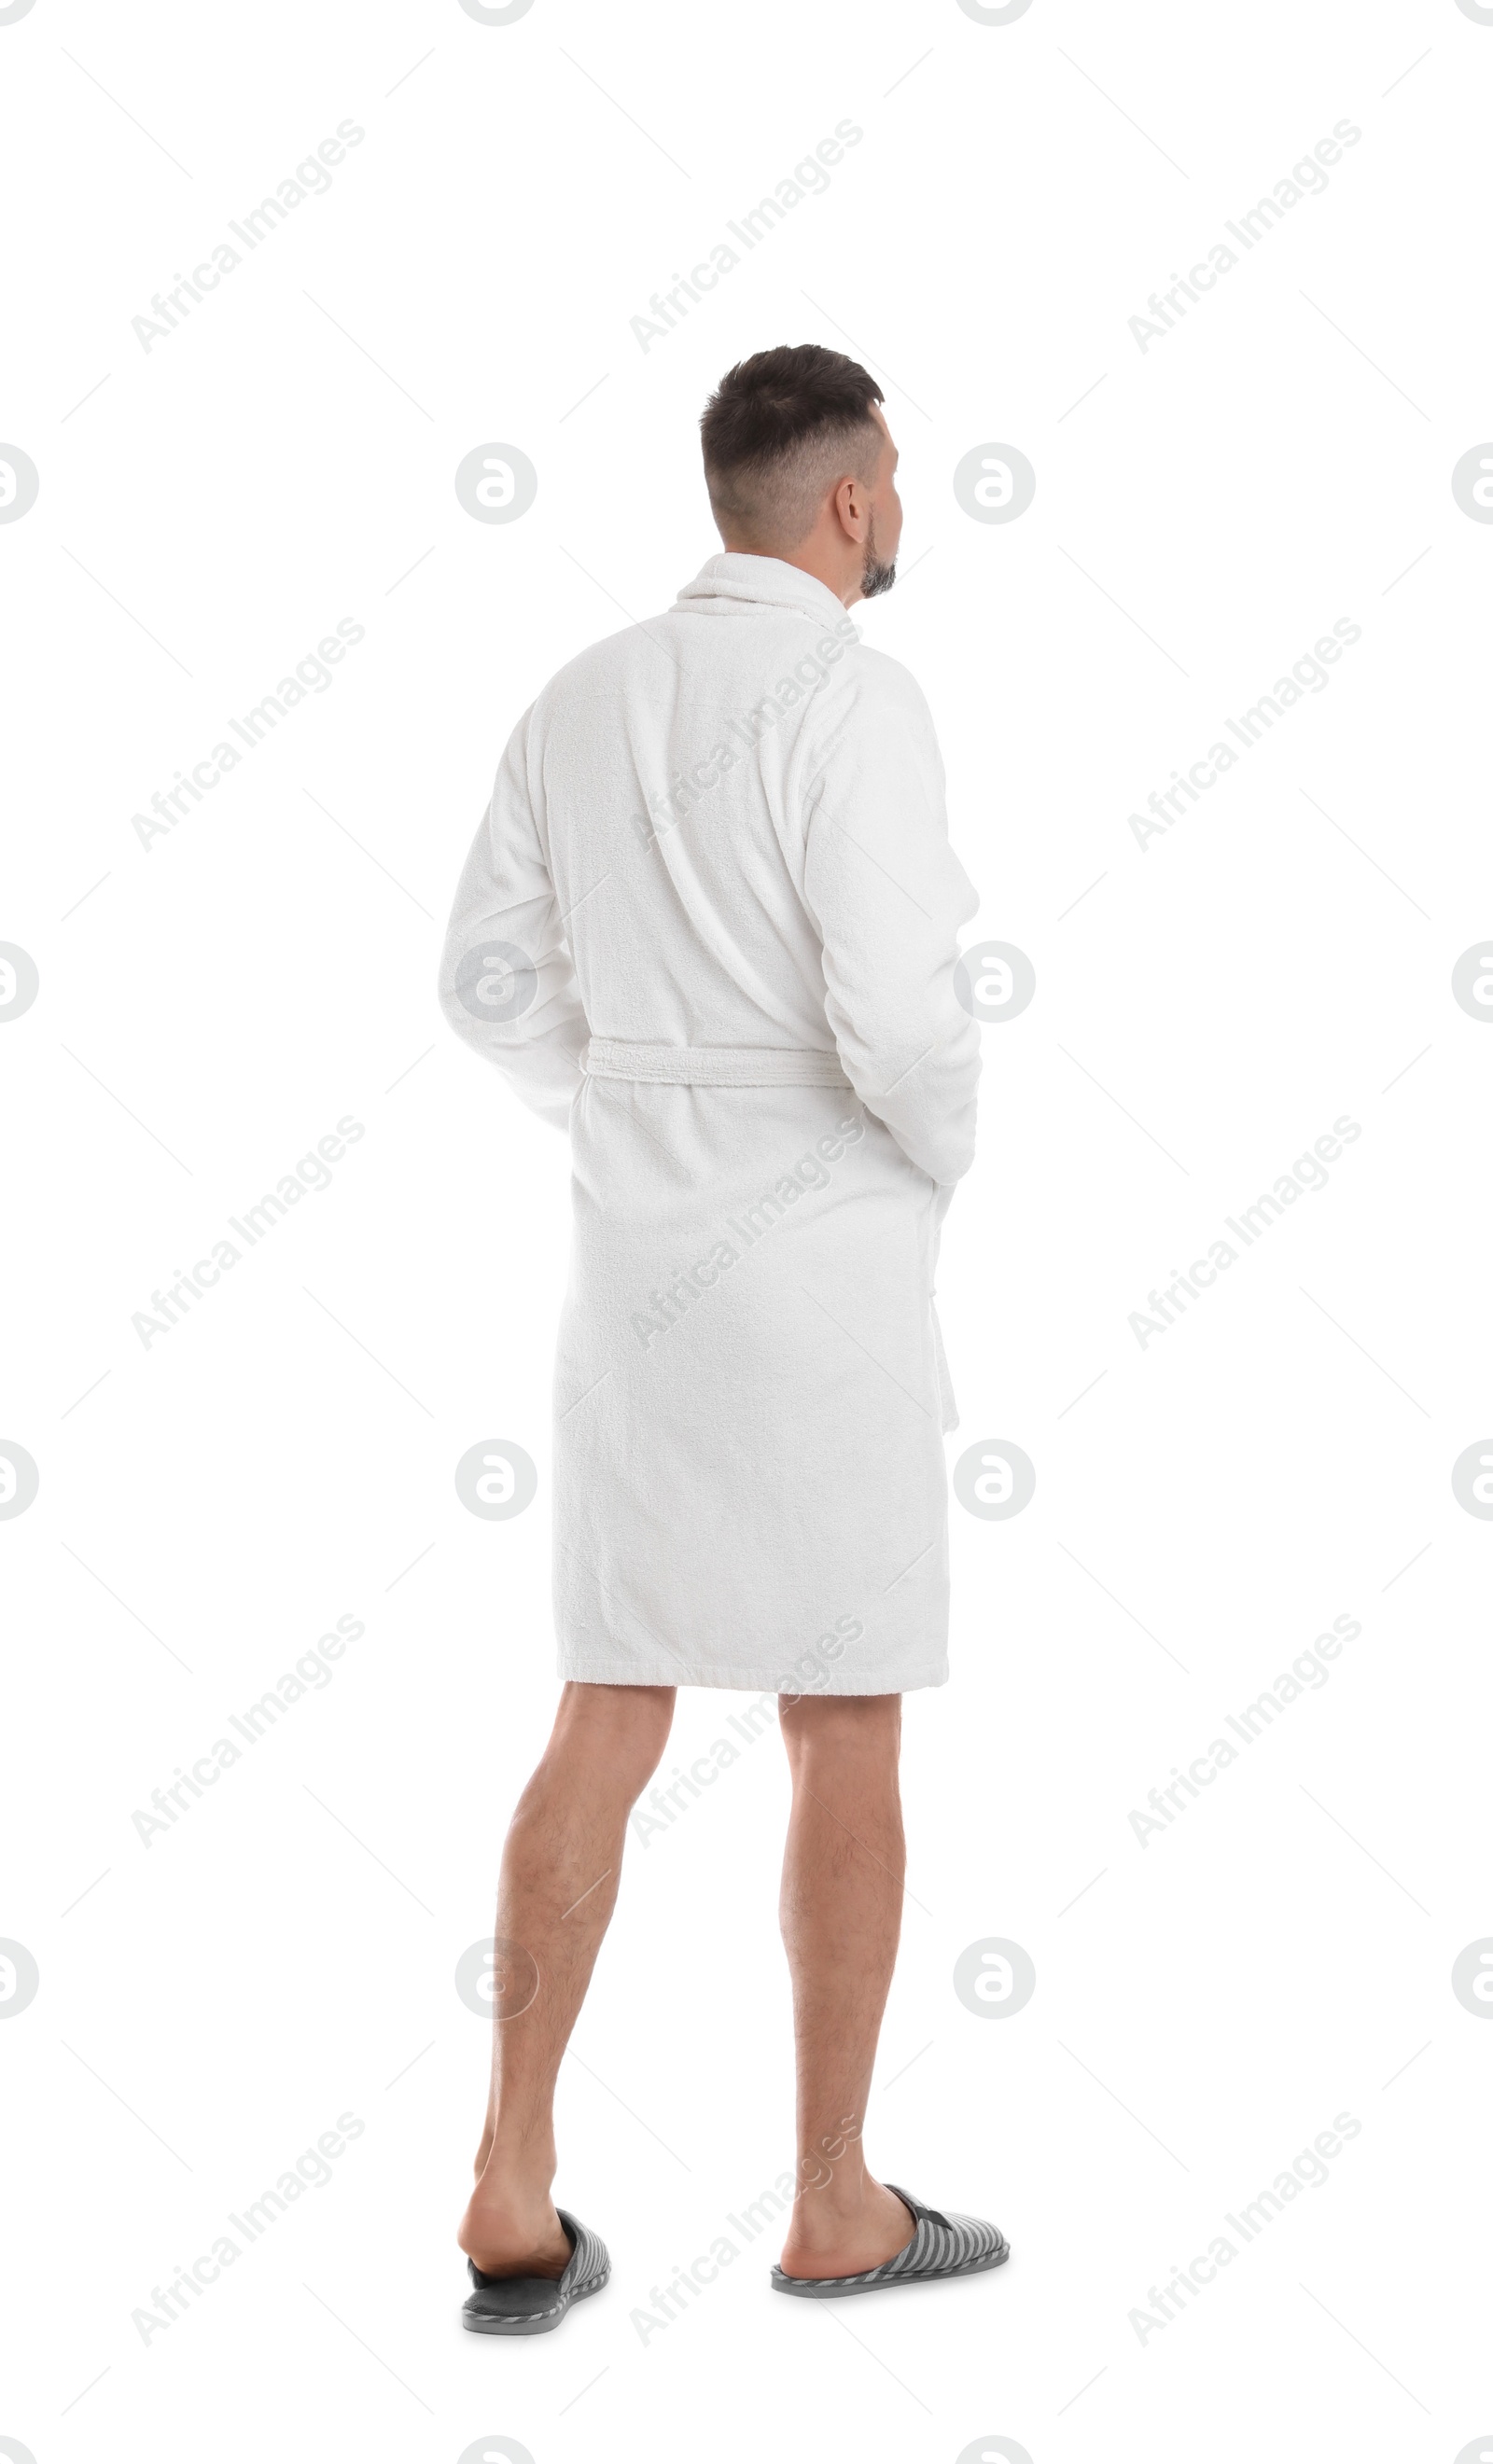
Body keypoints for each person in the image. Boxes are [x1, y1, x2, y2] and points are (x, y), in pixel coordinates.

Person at [438, 342, 1004, 2334]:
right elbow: (907, 1021)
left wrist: (629, 1109)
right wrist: (925, 1158)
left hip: (634, 1265)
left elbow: (484, 980)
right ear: (848, 501)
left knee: (609, 1697)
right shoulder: (853, 699)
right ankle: (832, 2198)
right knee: (837, 1717)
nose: (900, 512)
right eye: (899, 483)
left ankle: (512, 2172)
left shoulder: (579, 696)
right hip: (823, 1258)